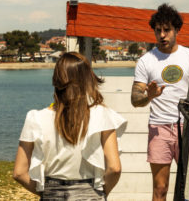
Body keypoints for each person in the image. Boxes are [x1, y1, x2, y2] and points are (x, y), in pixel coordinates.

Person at [13, 52, 126, 200]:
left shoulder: (36, 118)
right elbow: (114, 168)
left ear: (56, 81)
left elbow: (19, 173)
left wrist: (47, 193)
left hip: (52, 194)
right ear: (87, 79)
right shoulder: (102, 115)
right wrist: (101, 193)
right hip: (90, 194)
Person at [131, 3, 189, 201]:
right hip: (159, 128)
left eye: (167, 30)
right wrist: (149, 96)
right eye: (158, 31)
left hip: (187, 126)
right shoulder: (146, 61)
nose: (162, 35)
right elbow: (135, 99)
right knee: (160, 189)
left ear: (177, 30)